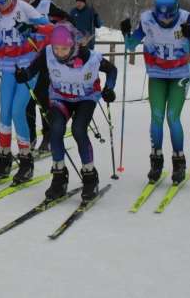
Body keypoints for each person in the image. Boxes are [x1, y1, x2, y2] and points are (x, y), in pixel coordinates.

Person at [15, 23, 117, 201]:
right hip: (60, 98)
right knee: (55, 129)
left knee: (78, 130)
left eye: (64, 48)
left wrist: (109, 88)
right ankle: (59, 176)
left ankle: (90, 176)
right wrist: (24, 74)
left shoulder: (89, 57)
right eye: (56, 48)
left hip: (86, 98)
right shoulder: (48, 53)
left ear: (74, 45)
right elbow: (33, 69)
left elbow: (111, 70)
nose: (59, 53)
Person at [122, 0, 190, 185]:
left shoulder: (185, 18)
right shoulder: (147, 19)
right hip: (157, 73)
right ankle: (156, 161)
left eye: (169, 17)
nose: (165, 21)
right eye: (161, 17)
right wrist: (126, 33)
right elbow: (131, 45)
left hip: (180, 74)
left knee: (173, 117)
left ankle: (179, 161)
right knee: (156, 116)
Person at [0, 0, 52, 184]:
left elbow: (50, 30)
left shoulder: (24, 9)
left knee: (17, 111)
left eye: (2, 2)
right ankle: (4, 158)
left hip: (27, 69)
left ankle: (26, 160)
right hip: (7, 69)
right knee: (4, 112)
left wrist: (32, 29)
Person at [16, 0, 68, 152]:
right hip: (26, 58)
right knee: (27, 100)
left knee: (43, 97)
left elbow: (66, 22)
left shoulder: (46, 5)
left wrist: (53, 32)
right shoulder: (18, 8)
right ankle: (30, 136)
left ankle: (48, 135)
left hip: (46, 58)